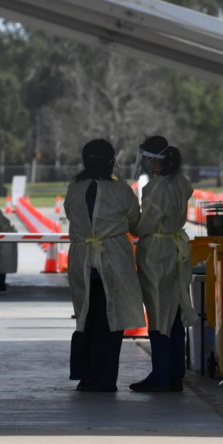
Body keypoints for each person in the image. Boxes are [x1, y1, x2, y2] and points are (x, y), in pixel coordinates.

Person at [66, 139, 144, 392]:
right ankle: (104, 378)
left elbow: (70, 214)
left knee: (85, 319)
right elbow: (135, 221)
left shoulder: (74, 188)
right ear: (111, 161)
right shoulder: (121, 190)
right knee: (111, 323)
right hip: (113, 262)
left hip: (82, 262)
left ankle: (85, 376)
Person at [130, 136, 198, 392]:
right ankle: (175, 374)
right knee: (176, 313)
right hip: (177, 248)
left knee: (159, 315)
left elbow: (143, 224)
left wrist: (127, 220)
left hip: (157, 254)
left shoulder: (155, 188)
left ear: (152, 159)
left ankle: (160, 376)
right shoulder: (182, 182)